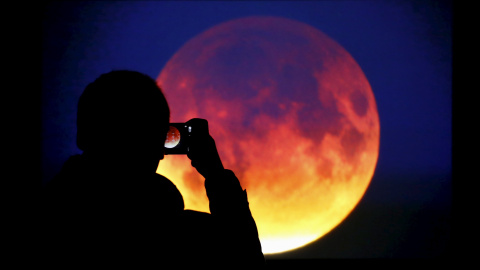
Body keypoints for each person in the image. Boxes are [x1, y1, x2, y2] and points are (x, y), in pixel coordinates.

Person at [42, 70, 264, 266]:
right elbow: (245, 261)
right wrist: (215, 173)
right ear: (159, 148)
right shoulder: (183, 238)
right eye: (160, 135)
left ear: (82, 135)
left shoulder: (53, 215)